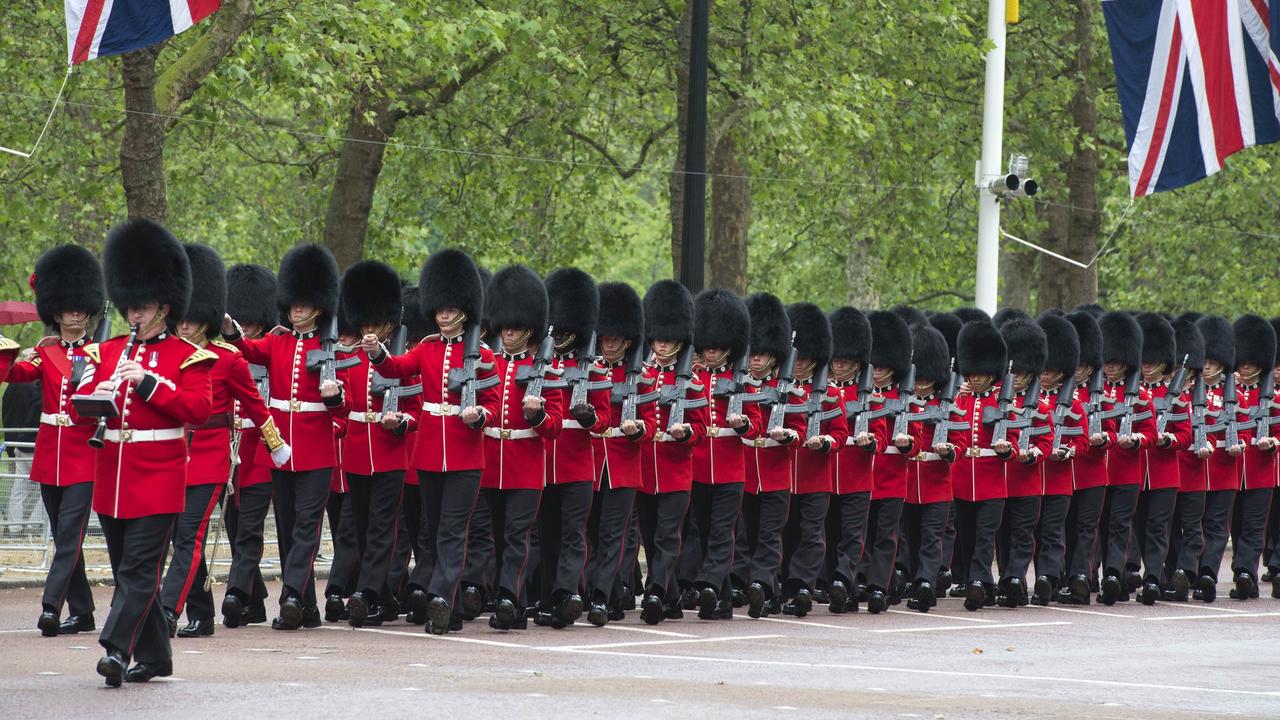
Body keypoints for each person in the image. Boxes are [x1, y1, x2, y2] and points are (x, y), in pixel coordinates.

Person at [79, 219, 215, 686]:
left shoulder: (189, 356)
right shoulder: (108, 352)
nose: (135, 315)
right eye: (131, 306)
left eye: (145, 307)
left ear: (165, 307)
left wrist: (149, 383)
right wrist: (95, 391)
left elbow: (198, 409)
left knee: (138, 571)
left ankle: (117, 649)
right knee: (126, 572)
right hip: (114, 476)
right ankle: (157, 657)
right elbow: (84, 413)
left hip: (158, 479)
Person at [362, 248, 500, 635]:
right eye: (439, 308)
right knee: (437, 531)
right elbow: (397, 369)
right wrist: (377, 352)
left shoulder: (483, 355)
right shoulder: (426, 347)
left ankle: (440, 596)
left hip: (465, 456)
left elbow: (492, 405)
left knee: (454, 531)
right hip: (429, 455)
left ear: (464, 309)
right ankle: (450, 607)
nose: (442, 314)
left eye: (449, 308)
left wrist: (480, 417)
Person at [161, 244, 288, 639]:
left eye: (193, 319)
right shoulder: (165, 354)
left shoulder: (228, 358)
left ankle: (167, 610)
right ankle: (200, 613)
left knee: (190, 535)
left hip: (212, 453)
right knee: (178, 537)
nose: (185, 325)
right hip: (169, 455)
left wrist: (275, 444)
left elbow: (254, 405)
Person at [222, 244, 346, 630]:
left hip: (316, 448)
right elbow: (246, 350)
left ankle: (291, 593)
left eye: (304, 304)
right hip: (280, 450)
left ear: (318, 306)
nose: (297, 310)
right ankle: (306, 606)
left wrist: (336, 396)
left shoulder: (333, 348)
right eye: (293, 303)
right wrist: (231, 331)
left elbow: (346, 405)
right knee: (289, 527)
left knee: (307, 526)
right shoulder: (278, 341)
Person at [5, 244, 103, 636]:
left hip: (83, 456)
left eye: (80, 308)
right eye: (68, 308)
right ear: (56, 312)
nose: (75, 314)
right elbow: (13, 375)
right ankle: (83, 612)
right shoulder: (43, 354)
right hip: (50, 455)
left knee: (67, 535)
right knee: (69, 539)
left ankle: (51, 605)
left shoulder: (101, 354)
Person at [476, 265, 564, 630]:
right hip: (491, 462)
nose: (507, 332)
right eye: (504, 326)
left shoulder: (545, 367)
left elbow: (555, 425)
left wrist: (538, 417)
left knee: (517, 536)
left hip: (526, 465)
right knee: (497, 538)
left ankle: (509, 599)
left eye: (514, 327)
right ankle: (515, 600)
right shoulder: (487, 363)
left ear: (529, 329)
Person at [336, 260, 418, 626]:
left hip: (389, 453)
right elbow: (343, 406)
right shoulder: (348, 361)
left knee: (383, 528)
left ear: (388, 325)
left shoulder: (401, 361)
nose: (368, 331)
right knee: (365, 528)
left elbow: (415, 407)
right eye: (364, 324)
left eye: (376, 325)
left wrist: (400, 422)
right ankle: (384, 599)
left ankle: (366, 594)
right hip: (356, 453)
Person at [536, 268, 611, 628]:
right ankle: (550, 596)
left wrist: (589, 418)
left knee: (573, 532)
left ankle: (568, 592)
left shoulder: (594, 368)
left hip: (579, 462)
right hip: (545, 460)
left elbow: (606, 418)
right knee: (547, 534)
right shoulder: (541, 364)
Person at [636, 280, 708, 625]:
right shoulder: (642, 376)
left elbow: (702, 425)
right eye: (658, 338)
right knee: (650, 536)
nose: (661, 344)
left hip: (677, 468)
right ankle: (672, 596)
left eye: (667, 339)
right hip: (646, 469)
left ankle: (654, 592)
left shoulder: (691, 380)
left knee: (668, 535)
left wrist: (686, 434)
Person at [585, 282, 654, 625]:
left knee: (614, 534)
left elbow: (652, 422)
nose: (609, 343)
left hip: (624, 463)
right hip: (593, 461)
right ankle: (608, 593)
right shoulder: (589, 371)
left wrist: (638, 429)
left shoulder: (641, 377)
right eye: (605, 337)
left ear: (627, 340)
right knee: (592, 533)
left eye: (616, 338)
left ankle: (600, 596)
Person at [687, 288, 757, 620]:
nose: (710, 352)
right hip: (699, 465)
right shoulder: (694, 377)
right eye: (706, 346)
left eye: (717, 347)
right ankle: (724, 599)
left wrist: (743, 425)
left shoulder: (742, 381)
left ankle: (710, 584)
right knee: (703, 529)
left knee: (721, 530)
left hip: (731, 468)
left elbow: (756, 424)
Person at [219, 264, 280, 628]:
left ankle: (236, 592)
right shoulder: (223, 351)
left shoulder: (271, 347)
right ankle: (254, 601)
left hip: (259, 448)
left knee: (250, 529)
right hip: (230, 452)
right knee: (233, 524)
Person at [780, 303, 847, 616]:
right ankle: (781, 585)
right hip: (783, 474)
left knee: (811, 533)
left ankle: (803, 586)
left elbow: (841, 432)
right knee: (784, 532)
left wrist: (826, 443)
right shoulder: (780, 389)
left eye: (805, 359)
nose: (800, 364)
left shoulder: (831, 392)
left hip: (816, 475)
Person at [950, 320, 1016, 611]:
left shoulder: (1004, 398)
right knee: (967, 534)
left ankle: (978, 580)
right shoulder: (961, 399)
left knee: (985, 534)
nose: (976, 378)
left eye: (981, 373)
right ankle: (979, 584)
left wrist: (1006, 450)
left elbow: (1013, 435)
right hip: (963, 476)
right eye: (972, 372)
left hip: (992, 479)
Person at [901, 324, 964, 612]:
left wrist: (949, 450)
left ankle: (926, 582)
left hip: (937, 482)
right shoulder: (905, 402)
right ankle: (918, 579)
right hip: (909, 482)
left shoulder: (948, 403)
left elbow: (960, 440)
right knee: (912, 537)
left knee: (931, 536)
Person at [851, 310, 912, 613]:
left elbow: (913, 438)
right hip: (863, 475)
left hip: (891, 476)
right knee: (862, 533)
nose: (877, 370)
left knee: (886, 536)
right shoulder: (858, 393)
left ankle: (879, 586)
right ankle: (861, 579)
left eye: (884, 365)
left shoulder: (903, 397)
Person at [1129, 313, 1189, 605]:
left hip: (1165, 471)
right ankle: (1157, 573)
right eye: (1144, 359)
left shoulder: (1175, 395)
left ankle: (1152, 578)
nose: (1147, 365)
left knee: (1158, 527)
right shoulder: (1132, 394)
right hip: (1137, 470)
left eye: (1153, 361)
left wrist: (1170, 440)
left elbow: (1186, 434)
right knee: (1140, 527)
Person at [994, 318, 1051, 608]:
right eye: (1012, 370)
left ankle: (1016, 577)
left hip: (1027, 478)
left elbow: (1047, 440)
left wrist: (1034, 456)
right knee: (1002, 534)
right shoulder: (995, 401)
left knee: (1022, 533)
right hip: (1000, 478)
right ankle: (1006, 578)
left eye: (1021, 371)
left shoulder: (1040, 404)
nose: (1015, 376)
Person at [1031, 313, 1085, 605]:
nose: (1045, 374)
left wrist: (1069, 450)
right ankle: (1041, 578)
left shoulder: (1072, 401)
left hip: (1059, 476)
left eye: (1051, 370)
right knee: (1033, 532)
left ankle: (1048, 578)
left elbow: (1082, 439)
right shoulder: (1027, 399)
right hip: (1032, 476)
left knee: (1053, 531)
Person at [825, 307, 876, 614]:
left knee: (852, 534)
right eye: (837, 358)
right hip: (828, 471)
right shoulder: (824, 391)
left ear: (857, 362)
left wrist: (871, 441)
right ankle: (842, 586)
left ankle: (844, 579)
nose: (839, 364)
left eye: (845, 359)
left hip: (857, 472)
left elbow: (880, 432)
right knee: (830, 534)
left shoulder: (870, 393)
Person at [1057, 310, 1109, 605]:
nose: (1077, 369)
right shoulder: (1053, 395)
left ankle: (1081, 577)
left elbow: (1110, 431)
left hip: (1091, 471)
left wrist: (1103, 440)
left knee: (1087, 528)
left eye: (1083, 365)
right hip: (1063, 472)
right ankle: (1067, 576)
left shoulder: (1101, 396)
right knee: (1065, 528)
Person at [1228, 315, 1277, 600]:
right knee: (1235, 524)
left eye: (1251, 364)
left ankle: (1246, 572)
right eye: (1242, 363)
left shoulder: (1270, 395)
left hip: (1260, 470)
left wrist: (1272, 442)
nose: (1246, 368)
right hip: (1233, 469)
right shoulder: (1228, 394)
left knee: (1254, 526)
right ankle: (1241, 571)